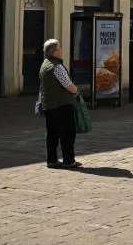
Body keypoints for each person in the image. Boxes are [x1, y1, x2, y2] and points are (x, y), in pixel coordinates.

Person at [39, 38, 81, 169]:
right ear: (55, 52)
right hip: (62, 105)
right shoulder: (57, 67)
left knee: (52, 134)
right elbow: (68, 85)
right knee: (67, 133)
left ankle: (51, 160)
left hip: (49, 105)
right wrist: (76, 90)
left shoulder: (45, 64)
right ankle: (69, 160)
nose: (61, 50)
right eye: (60, 48)